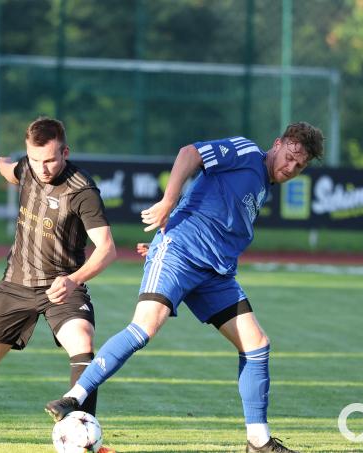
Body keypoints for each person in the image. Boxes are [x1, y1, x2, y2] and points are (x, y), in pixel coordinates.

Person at [45, 122, 325, 453]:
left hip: (214, 274)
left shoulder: (263, 183)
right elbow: (189, 153)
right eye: (290, 156)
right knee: (144, 329)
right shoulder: (247, 152)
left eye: (299, 165)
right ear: (277, 143)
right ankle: (72, 399)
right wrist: (167, 206)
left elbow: (214, 212)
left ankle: (258, 441)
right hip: (180, 256)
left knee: (257, 344)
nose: (291, 167)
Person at [0, 117, 116, 453]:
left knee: (82, 340)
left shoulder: (82, 191)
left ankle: (86, 440)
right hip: (16, 285)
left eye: (51, 159)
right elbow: (9, 168)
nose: (43, 168)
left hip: (63, 285)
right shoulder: (26, 167)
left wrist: (73, 280)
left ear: (65, 152)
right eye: (36, 160)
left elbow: (108, 249)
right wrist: (0, 164)